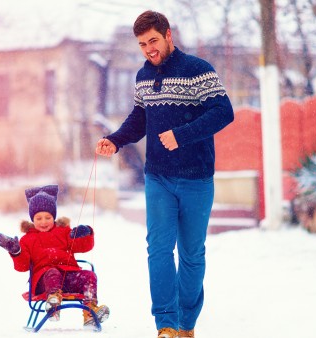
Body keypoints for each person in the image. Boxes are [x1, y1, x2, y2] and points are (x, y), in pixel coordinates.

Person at [95, 10, 234, 338]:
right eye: (142, 44)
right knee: (158, 249)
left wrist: (182, 134)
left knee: (191, 253)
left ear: (168, 35)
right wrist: (115, 141)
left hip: (196, 178)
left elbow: (223, 112)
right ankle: (166, 324)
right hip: (158, 177)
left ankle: (187, 324)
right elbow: (139, 119)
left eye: (153, 41)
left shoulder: (198, 71)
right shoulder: (143, 76)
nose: (149, 49)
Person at [0, 184, 109, 329]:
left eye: (48, 217)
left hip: (68, 276)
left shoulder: (64, 232)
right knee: (52, 273)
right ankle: (53, 302)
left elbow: (84, 246)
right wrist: (16, 251)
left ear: (54, 217)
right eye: (39, 218)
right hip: (44, 282)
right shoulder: (27, 239)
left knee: (89, 276)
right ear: (32, 219)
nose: (43, 222)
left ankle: (90, 311)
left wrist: (85, 233)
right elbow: (23, 266)